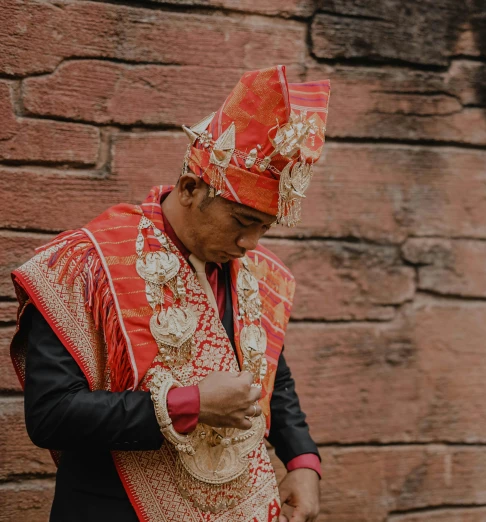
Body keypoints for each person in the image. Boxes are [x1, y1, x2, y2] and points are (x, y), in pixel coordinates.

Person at [9, 65, 330, 522]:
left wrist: (301, 460)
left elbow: (270, 372)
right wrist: (190, 404)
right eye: (242, 223)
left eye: (264, 227)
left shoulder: (248, 267)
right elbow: (52, 414)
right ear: (190, 188)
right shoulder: (87, 263)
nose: (252, 245)